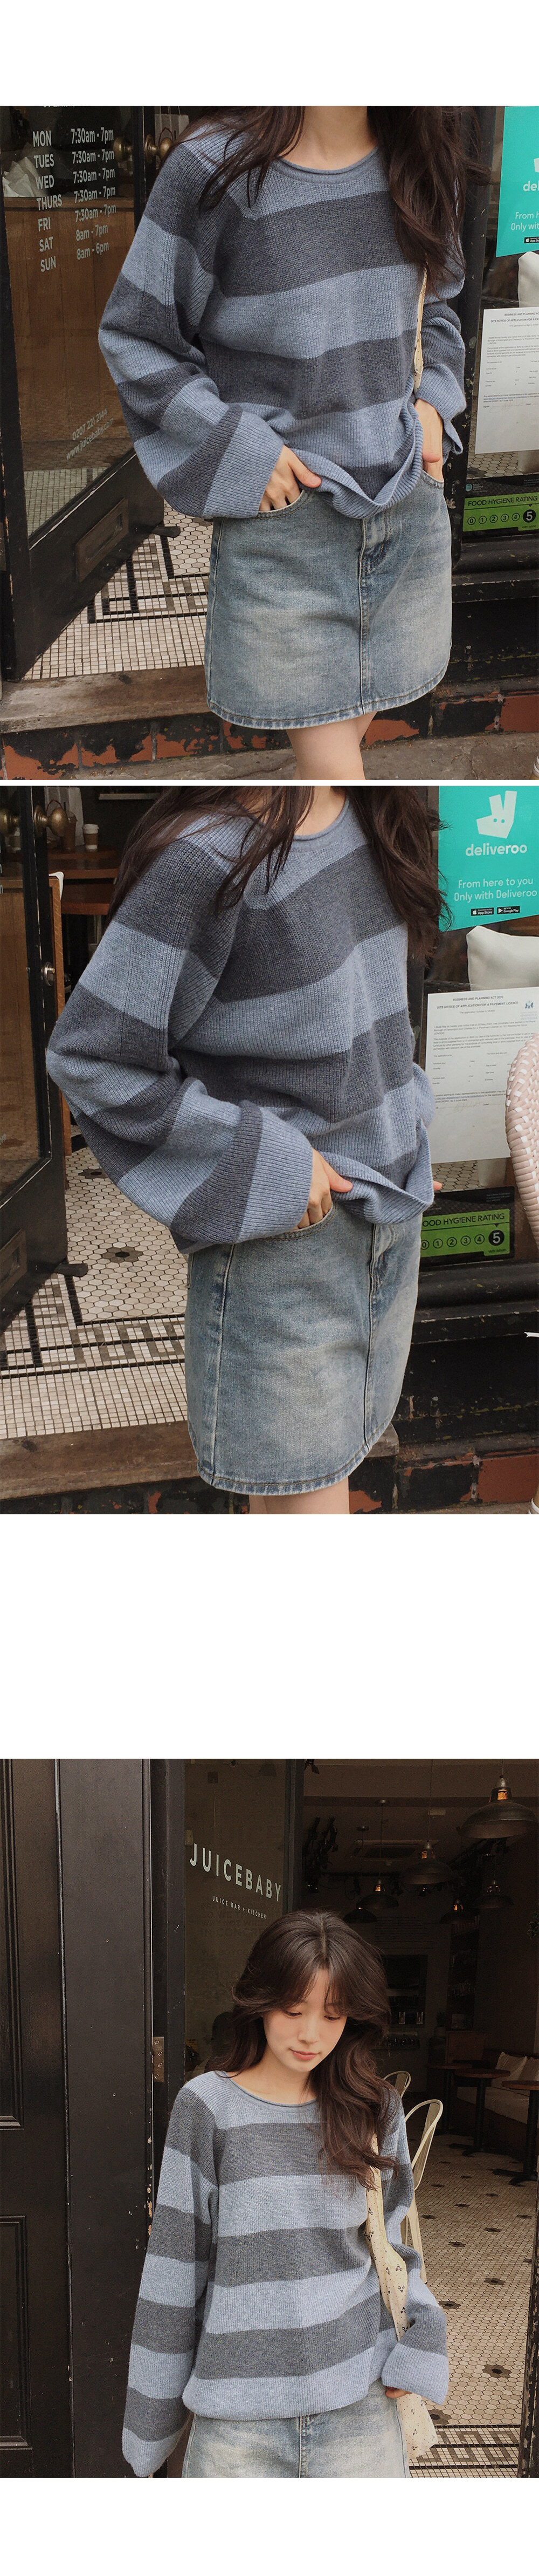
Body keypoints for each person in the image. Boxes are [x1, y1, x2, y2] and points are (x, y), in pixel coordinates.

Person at [46, 783, 442, 1514]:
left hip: (392, 1225)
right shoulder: (210, 858)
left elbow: (379, 1011)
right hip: (287, 1246)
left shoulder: (380, 812)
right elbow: (94, 1058)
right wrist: (270, 1166)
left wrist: (404, 1126)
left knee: (309, 1494)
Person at [98, 106, 480, 780]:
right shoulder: (214, 170)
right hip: (290, 529)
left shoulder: (422, 158)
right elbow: (138, 337)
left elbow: (439, 306)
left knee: (333, 763)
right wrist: (239, 453)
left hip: (403, 505)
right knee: (337, 777)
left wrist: (433, 407)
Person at [121, 1909, 448, 2478]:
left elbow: (392, 2244)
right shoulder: (207, 2108)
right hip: (236, 2425)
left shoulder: (373, 2108)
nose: (311, 2033)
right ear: (259, 2000)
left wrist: (424, 2340)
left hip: (361, 2403)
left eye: (333, 2013)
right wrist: (151, 2422)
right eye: (294, 2010)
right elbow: (175, 2268)